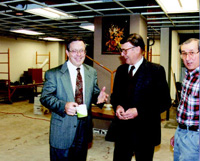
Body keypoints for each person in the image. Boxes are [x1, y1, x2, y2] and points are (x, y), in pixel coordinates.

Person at [40, 36, 108, 161]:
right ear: (67, 53)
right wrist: (63, 106)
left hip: (84, 129)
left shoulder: (91, 72)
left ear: (85, 52)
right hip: (62, 130)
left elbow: (93, 93)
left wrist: (98, 97)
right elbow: (45, 97)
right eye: (74, 51)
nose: (78, 54)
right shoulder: (54, 74)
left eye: (81, 50)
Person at [110, 33, 171, 161]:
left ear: (137, 49)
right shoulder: (121, 70)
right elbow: (115, 96)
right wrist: (118, 106)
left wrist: (139, 111)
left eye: (125, 50)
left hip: (145, 132)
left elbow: (164, 102)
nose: (122, 54)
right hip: (123, 131)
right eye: (122, 51)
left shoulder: (156, 71)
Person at [173, 38, 199, 161]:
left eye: (192, 53)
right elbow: (185, 109)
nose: (187, 58)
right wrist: (179, 133)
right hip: (182, 131)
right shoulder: (189, 76)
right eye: (184, 53)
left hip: (195, 137)